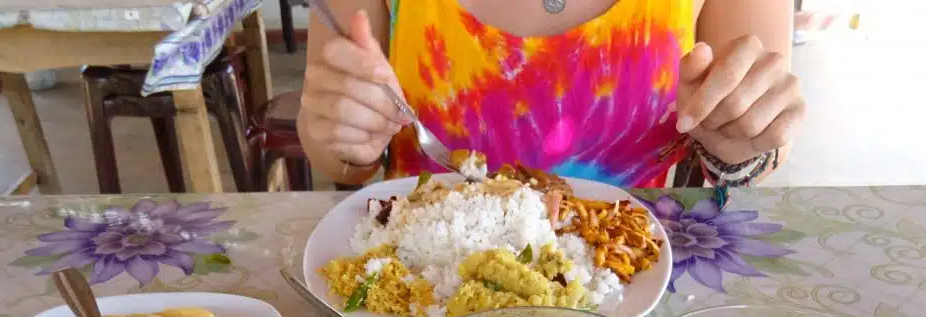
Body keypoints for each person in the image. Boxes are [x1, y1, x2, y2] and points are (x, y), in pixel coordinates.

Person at [299, 0, 804, 189]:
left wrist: (737, 147)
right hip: (418, 298)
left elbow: (757, 151)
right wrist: (343, 139)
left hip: (632, 292)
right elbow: (339, 157)